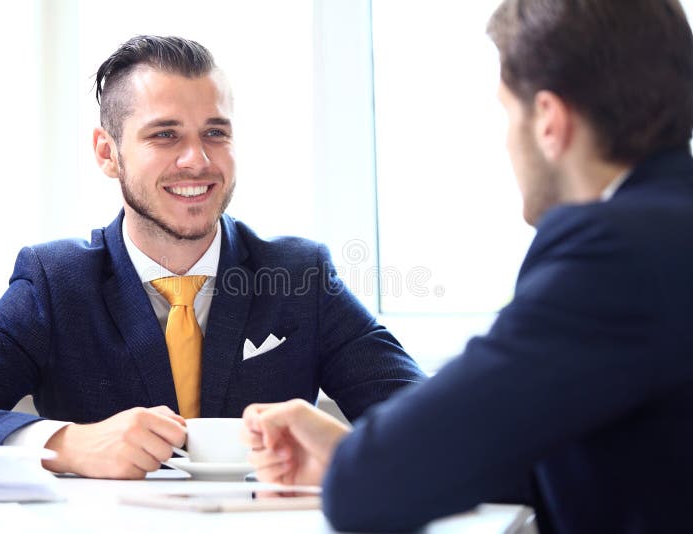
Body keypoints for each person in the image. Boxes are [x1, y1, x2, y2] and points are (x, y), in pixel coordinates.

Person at [241, 1, 693, 532]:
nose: (506, 140)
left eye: (507, 111)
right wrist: (352, 456)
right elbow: (544, 450)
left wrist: (357, 466)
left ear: (549, 119)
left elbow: (369, 487)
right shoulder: (668, 230)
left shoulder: (614, 252)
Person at [0, 35, 424, 479]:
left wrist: (346, 454)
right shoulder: (55, 283)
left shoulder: (300, 276)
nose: (197, 160)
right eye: (164, 135)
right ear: (108, 152)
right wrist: (66, 444)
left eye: (215, 132)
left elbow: (426, 417)